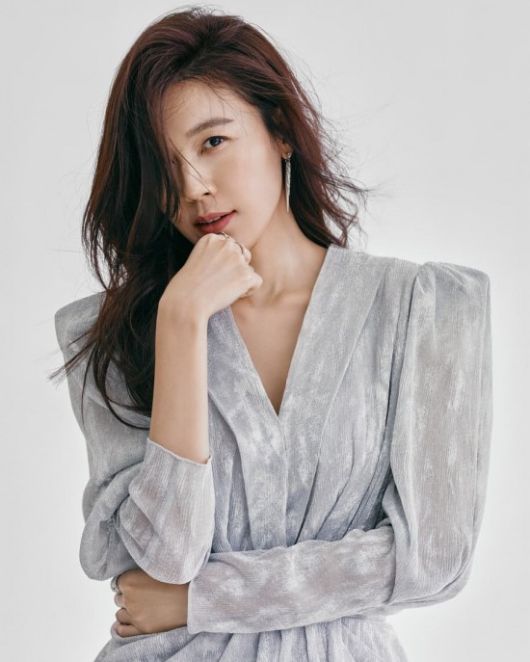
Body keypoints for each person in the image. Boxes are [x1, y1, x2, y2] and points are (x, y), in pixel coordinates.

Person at [50, 6, 493, 661]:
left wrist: (205, 599)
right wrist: (181, 323)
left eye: (213, 142)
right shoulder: (114, 335)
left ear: (280, 131)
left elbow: (434, 560)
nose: (194, 188)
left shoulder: (422, 309)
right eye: (164, 166)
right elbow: (165, 557)